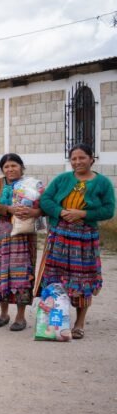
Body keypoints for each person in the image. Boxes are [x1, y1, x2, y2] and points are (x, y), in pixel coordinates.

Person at [38, 143, 116, 339]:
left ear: (92, 159)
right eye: (73, 158)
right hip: (60, 236)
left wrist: (84, 213)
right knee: (55, 277)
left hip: (84, 238)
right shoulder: (63, 179)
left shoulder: (103, 183)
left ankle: (79, 323)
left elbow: (108, 210)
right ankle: (56, 320)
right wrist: (61, 212)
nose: (77, 162)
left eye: (82, 158)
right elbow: (45, 200)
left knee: (82, 278)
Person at [0, 153, 43, 331]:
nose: (10, 169)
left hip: (22, 236)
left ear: (21, 167)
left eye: (14, 165)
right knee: (0, 273)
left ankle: (21, 317)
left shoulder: (32, 184)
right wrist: (8, 209)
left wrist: (34, 213)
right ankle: (3, 314)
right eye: (6, 167)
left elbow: (42, 207)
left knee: (21, 275)